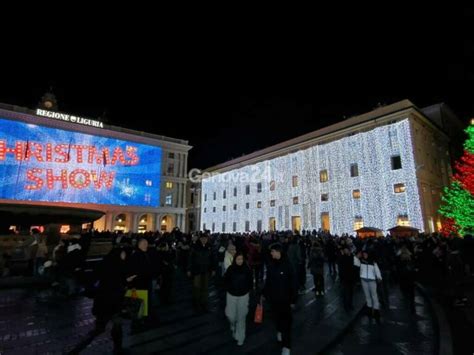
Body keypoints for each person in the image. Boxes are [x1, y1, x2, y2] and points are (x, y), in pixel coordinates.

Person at [69, 248, 136, 354]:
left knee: (110, 326)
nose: (124, 256)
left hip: (105, 301)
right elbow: (115, 282)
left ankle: (115, 348)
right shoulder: (116, 266)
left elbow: (93, 278)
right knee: (110, 326)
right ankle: (116, 348)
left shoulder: (105, 264)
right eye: (123, 254)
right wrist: (126, 281)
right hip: (111, 301)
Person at [263, 243, 297, 355]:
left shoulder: (287, 265)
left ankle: (286, 346)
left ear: (278, 252)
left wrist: (293, 299)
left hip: (285, 299)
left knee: (286, 322)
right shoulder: (271, 264)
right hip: (274, 299)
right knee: (276, 318)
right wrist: (264, 293)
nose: (271, 253)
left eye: (272, 251)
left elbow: (293, 283)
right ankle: (279, 331)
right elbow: (268, 281)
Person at [223, 252, 253, 346]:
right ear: (235, 260)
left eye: (241, 259)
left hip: (243, 296)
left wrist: (248, 290)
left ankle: (241, 337)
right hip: (231, 295)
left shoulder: (247, 269)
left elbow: (250, 281)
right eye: (238, 259)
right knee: (230, 315)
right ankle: (233, 324)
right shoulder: (230, 269)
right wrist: (228, 288)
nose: (240, 261)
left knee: (241, 317)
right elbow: (225, 280)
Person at [187, 233, 215, 313]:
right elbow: (190, 258)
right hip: (197, 270)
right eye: (203, 238)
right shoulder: (195, 247)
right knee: (197, 287)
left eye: (205, 238)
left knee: (205, 287)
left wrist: (213, 269)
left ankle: (204, 303)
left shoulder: (210, 246)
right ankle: (196, 303)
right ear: (200, 239)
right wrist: (189, 269)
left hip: (206, 270)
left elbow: (213, 258)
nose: (204, 240)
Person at [354, 250, 382, 322]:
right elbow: (357, 265)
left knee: (374, 295)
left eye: (366, 254)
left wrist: (379, 277)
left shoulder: (373, 262)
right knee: (367, 296)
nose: (365, 255)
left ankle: (376, 310)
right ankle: (369, 309)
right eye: (364, 254)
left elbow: (377, 270)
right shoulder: (362, 261)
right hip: (364, 280)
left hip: (372, 280)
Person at [338, 247, 357, 311]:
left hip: (351, 277)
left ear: (349, 251)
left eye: (347, 250)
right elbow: (340, 266)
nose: (346, 251)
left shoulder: (352, 257)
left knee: (351, 292)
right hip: (345, 277)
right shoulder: (342, 257)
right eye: (345, 250)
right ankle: (346, 305)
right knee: (346, 292)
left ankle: (350, 304)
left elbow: (355, 266)